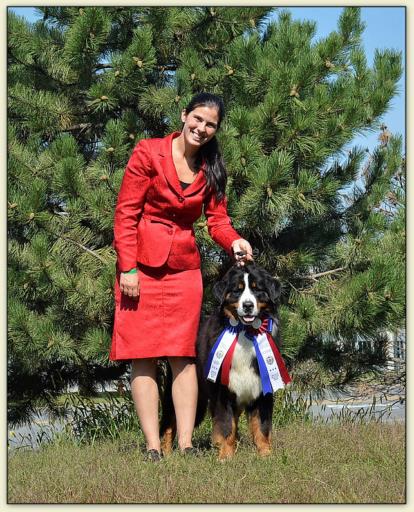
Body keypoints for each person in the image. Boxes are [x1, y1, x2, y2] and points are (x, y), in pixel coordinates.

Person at [110, 92, 253, 461]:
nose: (202, 128)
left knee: (183, 357)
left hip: (184, 273)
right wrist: (128, 266)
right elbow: (126, 213)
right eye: (198, 119)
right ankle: (153, 446)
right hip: (139, 269)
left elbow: (217, 221)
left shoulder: (212, 166)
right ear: (184, 115)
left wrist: (234, 240)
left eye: (211, 125)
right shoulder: (148, 152)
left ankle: (187, 444)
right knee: (143, 357)